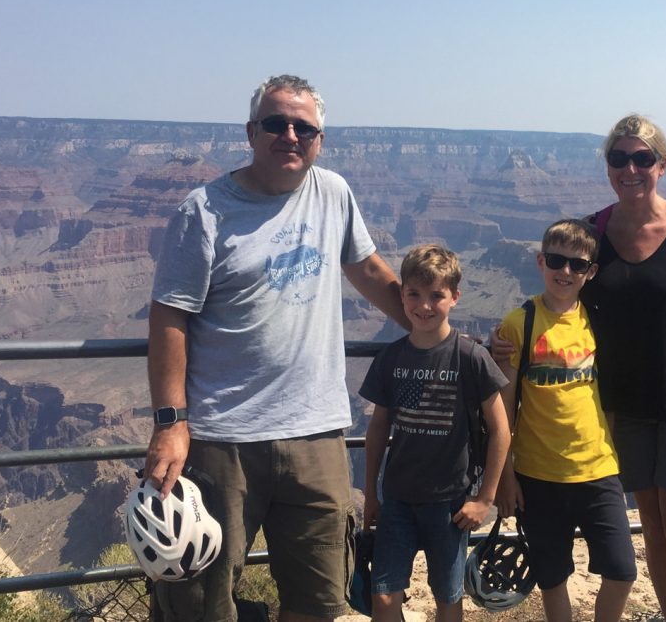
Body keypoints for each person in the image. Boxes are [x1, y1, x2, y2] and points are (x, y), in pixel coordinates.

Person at [143, 74, 410, 622]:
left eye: (303, 127)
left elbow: (367, 269)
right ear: (250, 132)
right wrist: (171, 422)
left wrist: (437, 332)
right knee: (203, 604)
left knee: (318, 602)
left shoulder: (333, 192)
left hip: (316, 436)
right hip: (222, 442)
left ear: (320, 139)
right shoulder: (204, 210)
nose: (289, 134)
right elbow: (169, 316)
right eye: (275, 123)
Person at [492, 114, 666, 622]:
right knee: (651, 521)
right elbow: (559, 304)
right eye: (618, 158)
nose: (630, 168)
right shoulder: (595, 235)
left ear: (662, 164)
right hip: (622, 406)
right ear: (608, 165)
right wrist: (506, 348)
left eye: (642, 158)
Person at [360, 244, 511, 622]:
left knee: (447, 596)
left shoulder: (470, 357)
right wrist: (371, 494)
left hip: (449, 505)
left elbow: (500, 429)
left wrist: (484, 499)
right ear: (402, 295)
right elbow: (378, 428)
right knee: (383, 596)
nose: (424, 306)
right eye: (414, 294)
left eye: (436, 296)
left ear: (455, 298)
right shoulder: (392, 358)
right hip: (397, 500)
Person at [494, 219, 636, 622]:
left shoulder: (597, 323)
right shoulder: (517, 325)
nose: (566, 272)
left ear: (591, 273)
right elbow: (503, 410)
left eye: (578, 265)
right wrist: (506, 478)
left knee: (622, 571)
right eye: (557, 261)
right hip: (539, 476)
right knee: (552, 579)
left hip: (598, 470)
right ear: (541, 261)